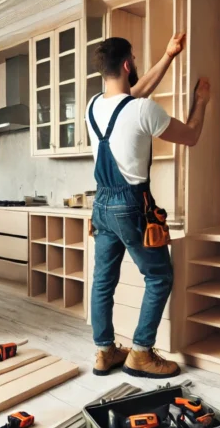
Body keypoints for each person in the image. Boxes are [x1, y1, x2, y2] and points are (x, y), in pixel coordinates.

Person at [87, 33, 211, 378]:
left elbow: (132, 94)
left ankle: (105, 351)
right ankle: (141, 353)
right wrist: (201, 101)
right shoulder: (144, 110)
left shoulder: (93, 106)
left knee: (102, 282)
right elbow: (192, 136)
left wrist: (169, 55)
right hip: (131, 205)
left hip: (101, 203)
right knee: (159, 277)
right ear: (128, 65)